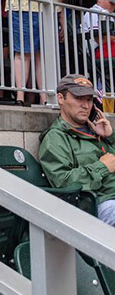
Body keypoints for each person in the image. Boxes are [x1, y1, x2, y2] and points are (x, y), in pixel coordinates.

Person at [40, 74, 115, 225]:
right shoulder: (56, 138)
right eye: (78, 98)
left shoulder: (98, 130)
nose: (86, 105)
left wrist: (110, 137)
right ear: (61, 99)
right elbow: (63, 183)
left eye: (89, 99)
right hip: (96, 205)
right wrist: (101, 168)